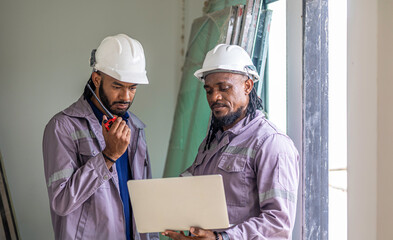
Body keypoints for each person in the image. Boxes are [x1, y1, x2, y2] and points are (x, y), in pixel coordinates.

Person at [163, 44, 299, 240]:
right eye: (208, 90)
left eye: (224, 88)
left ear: (247, 86)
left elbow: (278, 224)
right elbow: (194, 194)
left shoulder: (271, 144)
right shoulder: (212, 143)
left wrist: (222, 238)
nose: (214, 97)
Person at [43, 34, 159, 240]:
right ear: (97, 79)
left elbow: (145, 200)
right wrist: (108, 156)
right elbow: (61, 201)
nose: (126, 97)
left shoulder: (135, 127)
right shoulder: (62, 127)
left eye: (132, 88)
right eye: (117, 86)